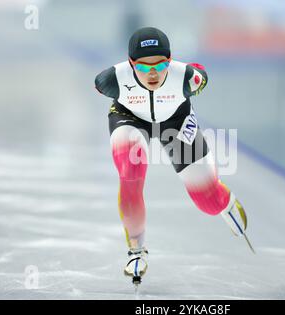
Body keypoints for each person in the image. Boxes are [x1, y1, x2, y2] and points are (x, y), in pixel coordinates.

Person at [95, 27, 250, 285]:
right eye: (143, 68)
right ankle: (136, 250)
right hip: (129, 118)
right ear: (131, 64)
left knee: (207, 203)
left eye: (161, 65)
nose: (153, 73)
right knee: (130, 169)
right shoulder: (111, 80)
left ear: (171, 60)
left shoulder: (189, 78)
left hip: (176, 121)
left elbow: (199, 71)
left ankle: (222, 201)